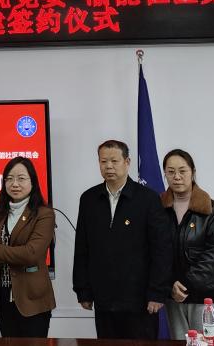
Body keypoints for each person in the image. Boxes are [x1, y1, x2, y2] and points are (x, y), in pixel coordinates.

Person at [73, 139, 171, 340]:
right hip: (104, 299)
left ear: (127, 162)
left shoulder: (148, 199)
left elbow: (161, 249)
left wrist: (157, 292)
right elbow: (82, 247)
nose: (108, 166)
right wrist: (83, 290)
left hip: (140, 300)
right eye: (103, 161)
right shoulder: (89, 199)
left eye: (114, 161)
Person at [160, 149, 214, 340]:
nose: (177, 176)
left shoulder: (211, 209)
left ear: (193, 172)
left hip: (206, 298)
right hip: (173, 298)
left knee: (210, 343)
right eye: (171, 171)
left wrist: (186, 285)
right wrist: (170, 285)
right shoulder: (158, 208)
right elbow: (155, 251)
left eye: (182, 171)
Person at [0, 156, 56, 338]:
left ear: (33, 182)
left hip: (32, 298)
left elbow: (31, 253)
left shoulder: (44, 214)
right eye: (9, 179)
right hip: (3, 296)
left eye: (21, 178)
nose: (14, 184)